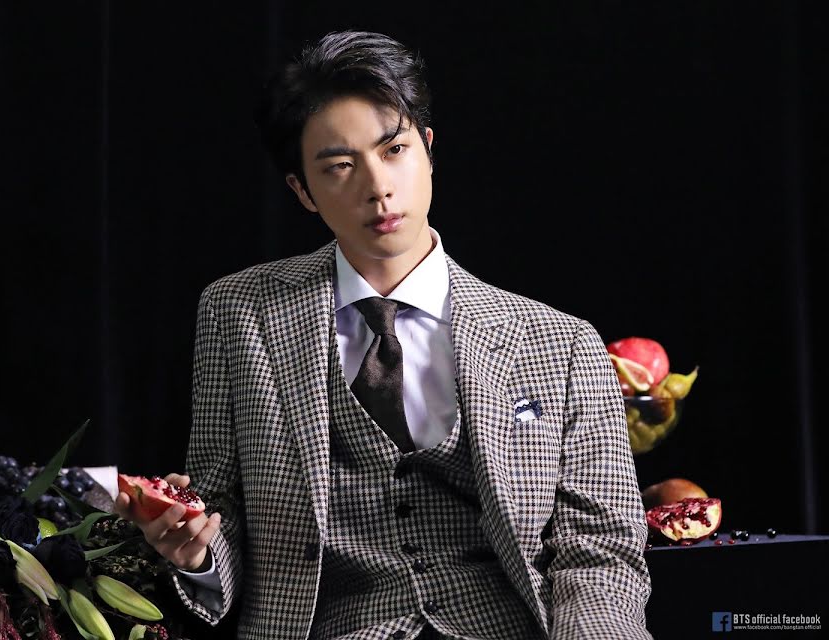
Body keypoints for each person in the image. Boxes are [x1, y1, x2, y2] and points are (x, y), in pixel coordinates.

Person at [115, 30, 653, 640]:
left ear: (428, 150)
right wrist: (197, 554)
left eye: (394, 149)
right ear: (302, 190)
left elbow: (600, 551)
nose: (377, 187)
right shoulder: (240, 313)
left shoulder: (561, 343)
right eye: (340, 167)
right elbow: (220, 507)